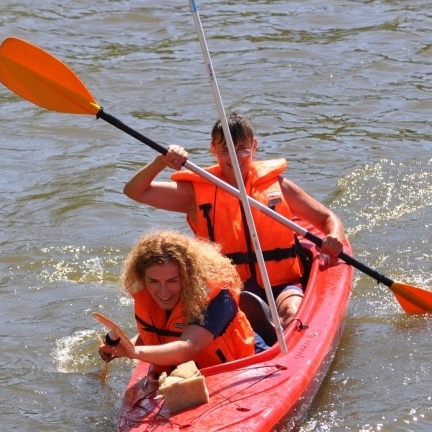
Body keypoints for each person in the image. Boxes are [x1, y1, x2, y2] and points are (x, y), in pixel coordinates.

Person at [123, 112, 346, 327]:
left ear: (254, 146)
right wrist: (161, 161)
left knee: (292, 312)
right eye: (225, 150)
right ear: (213, 149)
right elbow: (135, 191)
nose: (234, 157)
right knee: (228, 317)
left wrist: (334, 235)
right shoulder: (194, 193)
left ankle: (275, 329)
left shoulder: (278, 186)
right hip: (226, 289)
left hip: (281, 285)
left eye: (241, 149)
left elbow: (327, 218)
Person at [97, 230, 260, 376]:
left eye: (172, 281)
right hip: (178, 377)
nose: (163, 292)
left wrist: (132, 352)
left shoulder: (218, 299)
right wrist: (120, 348)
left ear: (188, 277)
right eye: (153, 281)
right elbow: (157, 333)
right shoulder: (145, 293)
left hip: (236, 372)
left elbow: (187, 347)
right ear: (143, 278)